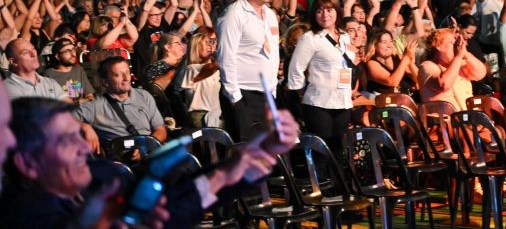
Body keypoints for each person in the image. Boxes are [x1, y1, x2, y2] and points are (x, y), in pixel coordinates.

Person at [0, 95, 301, 228]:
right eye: (66, 141)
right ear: (28, 163)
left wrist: (244, 162)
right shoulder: (19, 216)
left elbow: (172, 206)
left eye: (79, 134)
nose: (83, 147)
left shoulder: (103, 175)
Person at [216, 0, 280, 142]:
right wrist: (236, 99)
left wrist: (273, 90)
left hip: (267, 95)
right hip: (243, 96)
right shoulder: (233, 15)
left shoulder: (270, 14)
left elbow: (273, 53)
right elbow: (225, 59)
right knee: (247, 153)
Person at [287, 0, 355, 156]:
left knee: (339, 152)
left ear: (337, 11)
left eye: (329, 10)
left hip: (343, 102)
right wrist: (302, 95)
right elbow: (295, 70)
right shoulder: (310, 38)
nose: (325, 15)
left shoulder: (345, 36)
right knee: (322, 155)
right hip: (318, 104)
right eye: (319, 11)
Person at [74, 56, 167, 145]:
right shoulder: (96, 106)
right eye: (118, 75)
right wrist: (85, 127)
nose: (126, 78)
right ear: (105, 82)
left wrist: (145, 147)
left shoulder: (144, 96)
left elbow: (160, 130)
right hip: (122, 154)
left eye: (127, 72)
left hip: (150, 150)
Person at [417, 27, 487, 110]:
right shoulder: (427, 66)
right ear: (438, 46)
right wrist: (458, 57)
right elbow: (444, 84)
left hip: (468, 115)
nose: (455, 47)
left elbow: (481, 73)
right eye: (452, 43)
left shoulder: (459, 63)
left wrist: (465, 53)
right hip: (444, 117)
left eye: (456, 43)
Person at [4, 38, 69, 101]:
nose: (33, 54)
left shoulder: (50, 82)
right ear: (14, 62)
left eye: (33, 49)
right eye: (25, 52)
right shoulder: (6, 88)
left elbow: (68, 106)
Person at [181, 31, 222, 128]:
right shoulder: (192, 69)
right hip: (201, 116)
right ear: (196, 47)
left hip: (215, 114)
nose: (210, 46)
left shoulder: (214, 68)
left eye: (211, 42)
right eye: (206, 43)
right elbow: (209, 68)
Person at [364, 29, 419, 95]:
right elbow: (392, 81)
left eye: (391, 41)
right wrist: (406, 58)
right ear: (374, 45)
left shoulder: (398, 57)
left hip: (408, 97)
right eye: (384, 42)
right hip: (386, 99)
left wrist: (412, 64)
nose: (389, 45)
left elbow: (419, 80)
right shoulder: (371, 63)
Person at [43, 37, 95, 104]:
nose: (73, 54)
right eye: (67, 52)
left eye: (73, 50)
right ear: (57, 56)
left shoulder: (79, 70)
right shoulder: (48, 75)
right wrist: (78, 102)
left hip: (83, 109)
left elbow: (90, 96)